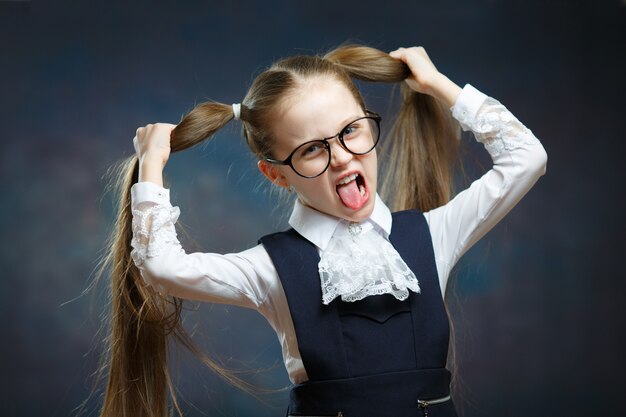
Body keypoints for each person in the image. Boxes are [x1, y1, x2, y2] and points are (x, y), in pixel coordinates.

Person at [96, 44, 547, 417]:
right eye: (313, 149)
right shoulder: (270, 269)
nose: (343, 157)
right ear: (277, 175)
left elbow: (527, 158)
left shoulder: (433, 235)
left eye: (351, 130)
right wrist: (151, 165)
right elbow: (159, 266)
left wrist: (438, 85)